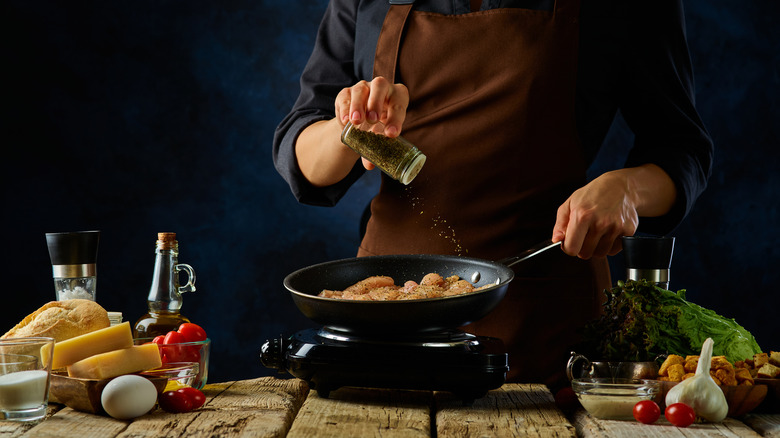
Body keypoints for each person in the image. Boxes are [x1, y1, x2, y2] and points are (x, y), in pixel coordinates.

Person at [273, 0, 713, 386]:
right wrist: (349, 127)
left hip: (544, 322)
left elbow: (682, 150)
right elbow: (304, 155)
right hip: (386, 324)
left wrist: (627, 188)